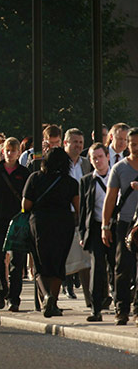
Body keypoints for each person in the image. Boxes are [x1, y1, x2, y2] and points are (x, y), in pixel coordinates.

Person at [23, 147, 79, 318]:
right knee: (58, 264)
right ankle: (52, 302)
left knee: (40, 264)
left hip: (39, 223)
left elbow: (25, 205)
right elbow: (78, 208)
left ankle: (46, 297)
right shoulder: (70, 182)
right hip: (63, 224)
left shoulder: (35, 178)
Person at [0, 137, 30, 310]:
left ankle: (15, 297)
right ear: (2, 152)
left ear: (19, 153)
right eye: (7, 151)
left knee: (17, 260)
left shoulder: (24, 173)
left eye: (13, 151)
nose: (10, 154)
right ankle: (0, 290)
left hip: (17, 220)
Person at [101, 127, 138, 326]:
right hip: (125, 223)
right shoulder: (120, 168)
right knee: (122, 267)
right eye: (133, 144)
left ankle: (137, 309)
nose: (136, 148)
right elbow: (110, 198)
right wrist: (105, 226)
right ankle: (121, 309)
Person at [79, 143, 113, 322]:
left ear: (108, 157)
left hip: (115, 228)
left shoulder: (116, 177)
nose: (98, 161)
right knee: (97, 268)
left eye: (100, 157)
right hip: (95, 229)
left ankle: (120, 305)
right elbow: (83, 210)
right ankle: (96, 308)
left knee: (118, 267)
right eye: (94, 158)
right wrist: (82, 234)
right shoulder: (86, 181)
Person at [62, 128, 93, 302]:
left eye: (81, 142)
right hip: (63, 215)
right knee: (62, 257)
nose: (78, 146)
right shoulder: (59, 164)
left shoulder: (85, 164)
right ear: (66, 143)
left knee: (85, 258)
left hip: (81, 216)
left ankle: (90, 299)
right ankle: (51, 297)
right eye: (75, 142)